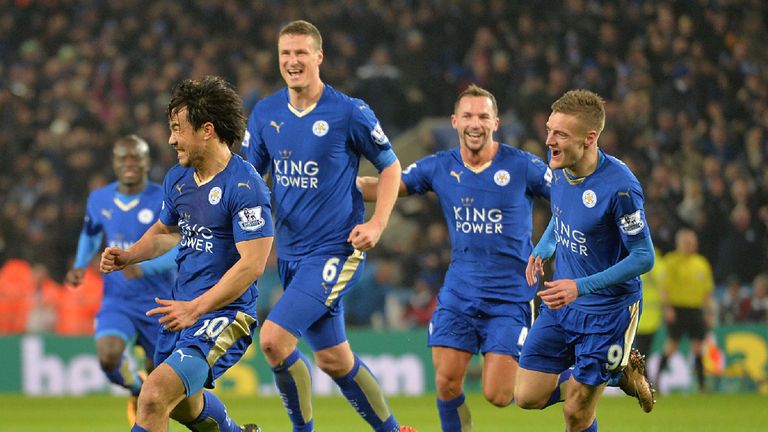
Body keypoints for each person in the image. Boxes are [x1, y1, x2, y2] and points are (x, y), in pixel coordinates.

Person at [240, 20, 414, 432]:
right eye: (286, 54)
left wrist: (377, 224)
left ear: (319, 57)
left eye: (301, 53)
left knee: (273, 340)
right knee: (335, 360)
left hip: (335, 251)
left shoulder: (349, 112)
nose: (293, 61)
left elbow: (390, 168)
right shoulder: (266, 113)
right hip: (291, 255)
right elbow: (250, 181)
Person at [358, 84, 552, 432]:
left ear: (496, 122)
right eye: (467, 116)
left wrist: (554, 242)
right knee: (447, 382)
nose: (475, 123)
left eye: (482, 116)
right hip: (460, 294)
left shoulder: (523, 166)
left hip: (510, 297)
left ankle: (586, 379)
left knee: (500, 394)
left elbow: (567, 199)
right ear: (454, 122)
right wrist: (342, 186)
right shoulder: (439, 167)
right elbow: (389, 186)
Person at [100, 75, 272, 432]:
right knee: (181, 406)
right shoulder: (178, 178)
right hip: (183, 311)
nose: (171, 139)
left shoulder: (245, 185)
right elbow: (166, 232)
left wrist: (197, 308)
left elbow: (253, 265)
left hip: (225, 314)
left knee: (152, 396)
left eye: (178, 129)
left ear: (206, 130)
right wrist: (128, 255)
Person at [516, 89, 655, 432]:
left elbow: (644, 256)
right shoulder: (560, 169)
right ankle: (619, 374)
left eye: (560, 134)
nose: (549, 140)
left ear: (590, 138)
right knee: (526, 395)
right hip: (563, 306)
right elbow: (563, 215)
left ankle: (605, 374)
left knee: (576, 413)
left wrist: (581, 286)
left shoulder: (621, 188)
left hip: (608, 312)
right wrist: (544, 246)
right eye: (549, 130)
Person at [65, 134, 177, 424]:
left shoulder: (163, 199)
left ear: (146, 162)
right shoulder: (99, 199)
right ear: (115, 163)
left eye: (135, 157)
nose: (129, 163)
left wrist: (144, 266)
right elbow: (90, 236)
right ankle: (135, 387)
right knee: (108, 356)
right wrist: (79, 265)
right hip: (118, 299)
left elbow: (178, 246)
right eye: (123, 157)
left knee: (163, 382)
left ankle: (150, 404)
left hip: (160, 302)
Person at [657, 228, 715, 392]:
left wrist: (709, 312)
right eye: (687, 242)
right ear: (679, 243)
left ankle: (702, 385)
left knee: (698, 348)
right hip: (677, 308)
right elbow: (664, 288)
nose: (691, 245)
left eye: (693, 242)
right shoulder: (671, 261)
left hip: (695, 310)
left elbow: (707, 291)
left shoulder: (702, 263)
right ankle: (657, 381)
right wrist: (667, 308)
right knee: (671, 346)